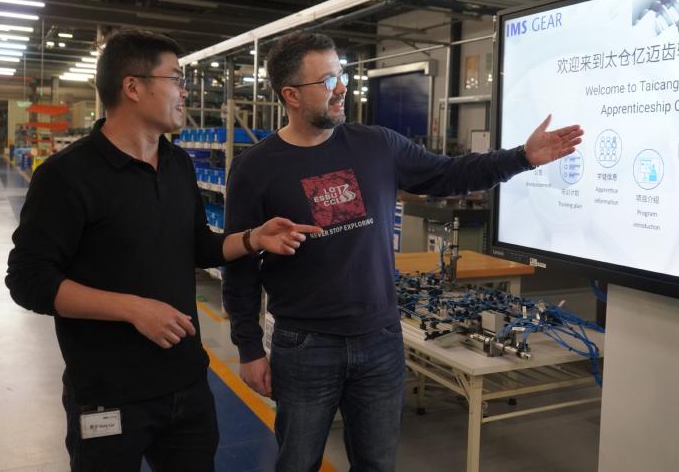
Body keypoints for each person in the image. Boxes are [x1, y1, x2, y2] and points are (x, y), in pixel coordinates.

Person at [222, 31, 584, 472]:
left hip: (379, 339)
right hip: (305, 344)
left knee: (377, 463)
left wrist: (522, 157)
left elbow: (450, 174)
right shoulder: (255, 168)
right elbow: (239, 264)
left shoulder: (376, 145)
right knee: (297, 463)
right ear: (291, 95)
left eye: (341, 76)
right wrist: (248, 347)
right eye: (327, 81)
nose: (341, 89)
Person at [5, 29, 320, 472]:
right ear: (133, 87)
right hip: (107, 394)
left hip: (185, 384)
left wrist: (253, 238)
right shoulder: (67, 175)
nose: (184, 91)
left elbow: (198, 246)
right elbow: (27, 280)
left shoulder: (177, 163)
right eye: (176, 79)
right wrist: (132, 309)